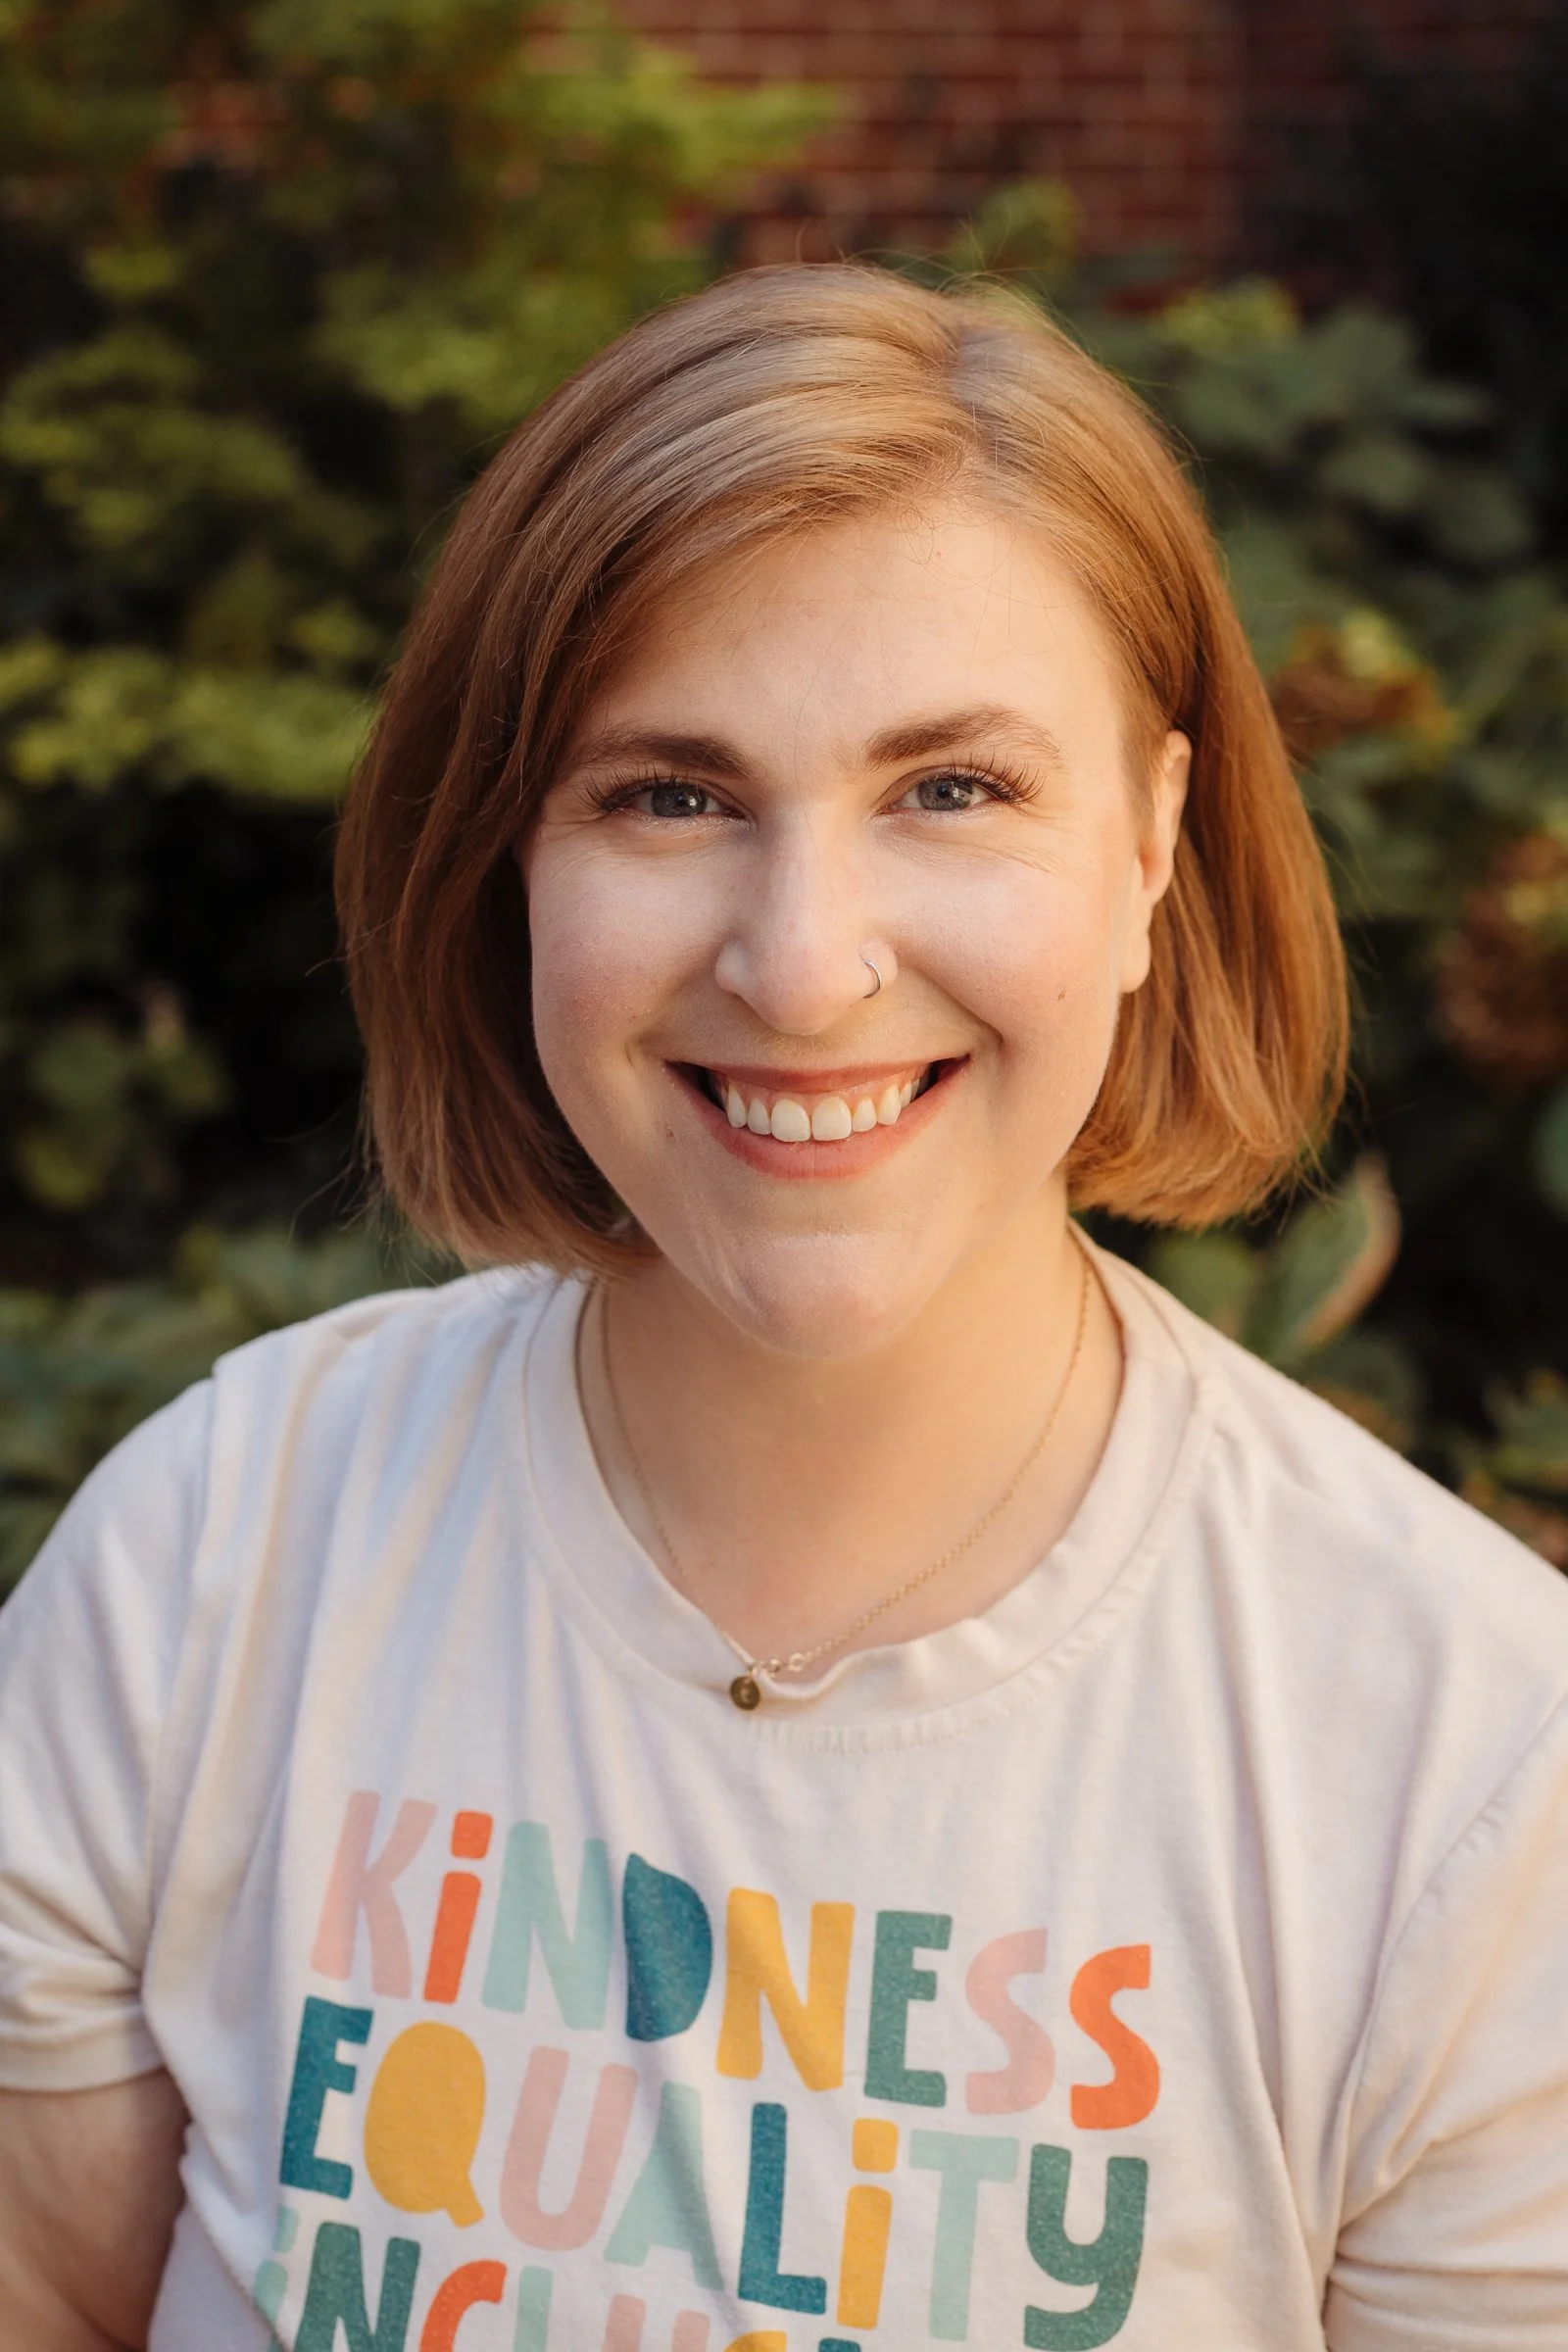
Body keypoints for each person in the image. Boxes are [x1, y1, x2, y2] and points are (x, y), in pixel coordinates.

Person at [1, 266, 1565, 2352]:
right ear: (508, 861)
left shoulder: (1463, 1769)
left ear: (1154, 841)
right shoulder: (214, 1559)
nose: (802, 962)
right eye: (670, 794)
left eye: (950, 789)